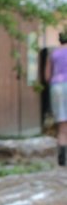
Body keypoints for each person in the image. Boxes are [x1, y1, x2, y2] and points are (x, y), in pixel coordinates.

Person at [45, 30, 67, 166]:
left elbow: (47, 77)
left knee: (62, 124)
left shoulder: (52, 53)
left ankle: (62, 158)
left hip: (57, 87)